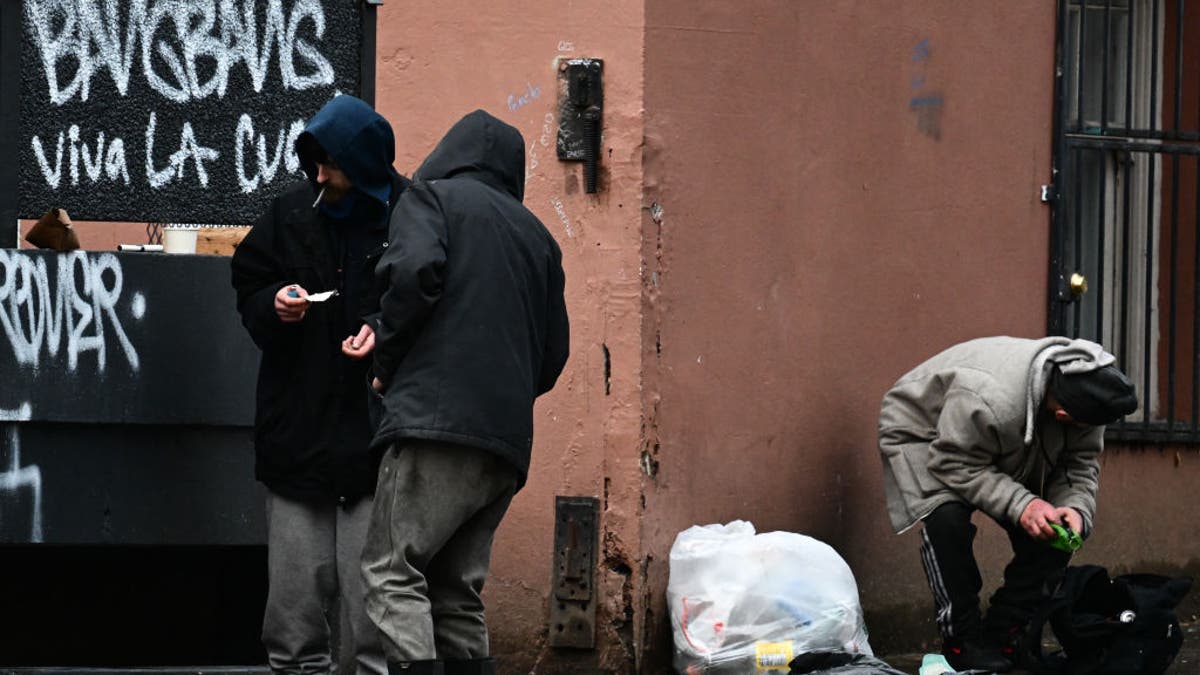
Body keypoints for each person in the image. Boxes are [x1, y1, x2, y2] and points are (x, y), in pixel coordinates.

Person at [361, 110, 570, 675]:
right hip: (503, 444)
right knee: (456, 591)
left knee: (390, 570)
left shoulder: (431, 199)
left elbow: (413, 275)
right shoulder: (539, 238)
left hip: (433, 422)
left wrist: (385, 361)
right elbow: (552, 358)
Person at [231, 94, 411, 675]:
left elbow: (431, 300)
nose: (318, 173)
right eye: (313, 160)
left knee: (372, 625)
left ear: (360, 164)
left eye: (329, 162)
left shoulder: (411, 217)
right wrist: (272, 304)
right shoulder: (291, 214)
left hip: (376, 444)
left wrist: (382, 333)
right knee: (292, 620)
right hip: (297, 438)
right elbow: (249, 280)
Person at [877, 336, 1137, 673]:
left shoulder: (1088, 391)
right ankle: (963, 640)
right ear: (1062, 413)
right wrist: (1023, 505)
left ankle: (1004, 635)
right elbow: (952, 463)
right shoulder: (990, 398)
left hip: (1007, 436)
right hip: (929, 437)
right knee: (947, 521)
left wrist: (1075, 508)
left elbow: (1079, 464)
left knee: (1053, 533)